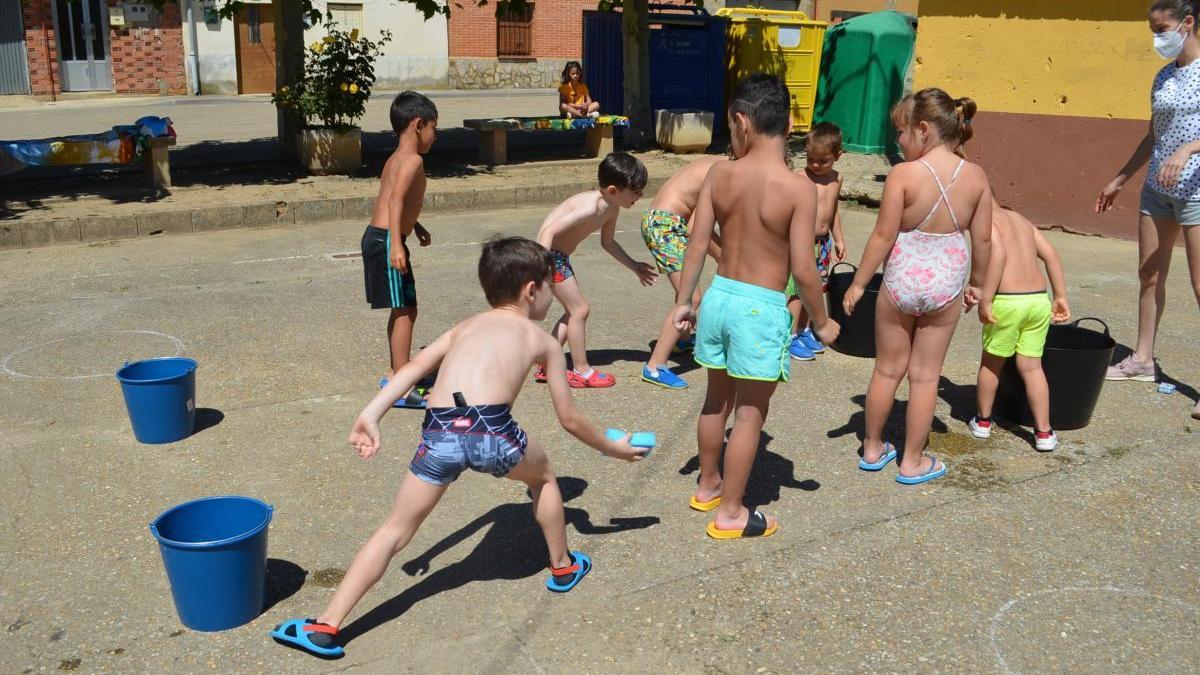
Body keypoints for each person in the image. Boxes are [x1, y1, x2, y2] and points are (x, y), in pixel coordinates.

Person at [269, 237, 646, 659]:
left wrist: (372, 413)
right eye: (551, 284)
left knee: (394, 529)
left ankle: (326, 625)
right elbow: (570, 419)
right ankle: (562, 566)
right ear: (532, 291)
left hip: (440, 432)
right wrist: (612, 448)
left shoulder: (465, 326)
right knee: (544, 478)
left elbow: (413, 368)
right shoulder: (541, 340)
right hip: (493, 431)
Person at [672, 73, 839, 539]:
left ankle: (707, 484)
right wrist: (821, 322)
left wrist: (684, 301)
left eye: (730, 126)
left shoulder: (720, 174)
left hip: (721, 297)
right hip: (761, 307)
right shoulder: (798, 188)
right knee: (750, 413)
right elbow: (804, 270)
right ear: (787, 123)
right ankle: (731, 513)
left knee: (715, 400)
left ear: (742, 122)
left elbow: (697, 240)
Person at [843, 88, 992, 485]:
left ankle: (872, 449)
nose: (899, 142)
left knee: (887, 370)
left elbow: (881, 236)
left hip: (901, 280)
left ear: (923, 130)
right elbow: (983, 240)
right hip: (946, 282)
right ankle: (912, 461)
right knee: (926, 377)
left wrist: (859, 283)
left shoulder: (902, 174)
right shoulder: (976, 177)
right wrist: (978, 284)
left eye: (902, 134)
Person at [1097, 0, 1200, 421]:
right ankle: (1142, 358)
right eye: (1153, 30)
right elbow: (1152, 135)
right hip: (1157, 187)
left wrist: (1190, 148)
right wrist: (1120, 178)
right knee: (1149, 272)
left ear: (1188, 23)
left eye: (1162, 28)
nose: (1157, 37)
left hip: (1196, 188)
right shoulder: (1163, 75)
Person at [535, 152, 658, 388]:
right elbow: (548, 232)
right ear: (613, 190)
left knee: (574, 311)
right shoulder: (592, 207)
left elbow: (608, 242)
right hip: (549, 256)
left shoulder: (612, 207)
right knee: (580, 309)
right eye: (636, 191)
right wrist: (541, 268)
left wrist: (635, 266)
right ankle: (582, 370)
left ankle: (546, 362)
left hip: (556, 256)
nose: (640, 196)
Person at [969, 205, 1072, 451]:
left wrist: (986, 299)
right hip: (1037, 301)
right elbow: (1051, 255)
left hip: (1007, 302)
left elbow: (998, 257)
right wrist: (1060, 296)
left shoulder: (985, 223)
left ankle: (983, 421)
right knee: (1032, 368)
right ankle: (1044, 432)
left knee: (991, 364)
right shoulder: (1020, 219)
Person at [361, 92, 437, 409]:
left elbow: (397, 200)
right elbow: (394, 202)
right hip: (385, 241)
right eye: (435, 127)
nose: (436, 135)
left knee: (401, 308)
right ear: (418, 125)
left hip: (383, 237)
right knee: (406, 310)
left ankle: (396, 371)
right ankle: (402, 385)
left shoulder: (395, 158)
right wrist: (396, 243)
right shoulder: (413, 160)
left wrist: (413, 226)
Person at [639, 155, 727, 390]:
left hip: (662, 221)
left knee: (684, 291)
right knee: (691, 297)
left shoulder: (719, 163)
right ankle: (655, 366)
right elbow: (696, 229)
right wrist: (724, 256)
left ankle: (683, 340)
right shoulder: (723, 173)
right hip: (666, 225)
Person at [786, 122, 848, 361]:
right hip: (801, 243)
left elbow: (833, 211)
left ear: (837, 156)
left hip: (823, 244)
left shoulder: (836, 179)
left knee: (814, 289)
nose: (815, 165)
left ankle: (803, 330)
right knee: (796, 291)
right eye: (811, 158)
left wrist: (839, 239)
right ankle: (790, 336)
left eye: (823, 161)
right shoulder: (800, 177)